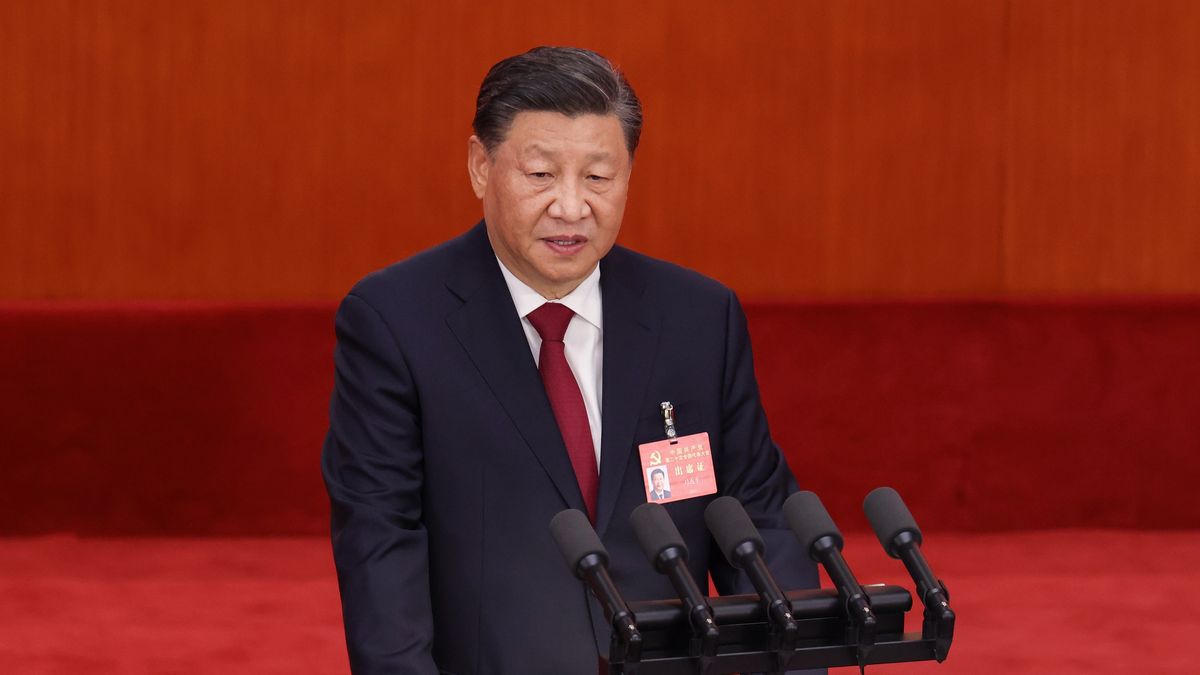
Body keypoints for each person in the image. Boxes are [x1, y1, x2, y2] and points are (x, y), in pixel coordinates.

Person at [322, 46, 819, 675]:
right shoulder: (396, 321)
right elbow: (381, 541)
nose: (571, 207)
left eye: (598, 177)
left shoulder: (697, 317)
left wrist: (801, 660)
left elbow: (759, 518)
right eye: (540, 174)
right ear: (480, 166)